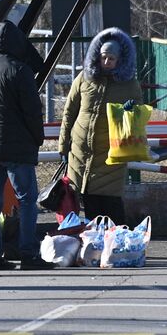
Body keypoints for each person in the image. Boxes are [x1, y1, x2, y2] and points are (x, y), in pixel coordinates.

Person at [0, 21, 56, 271]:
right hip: (17, 147)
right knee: (27, 200)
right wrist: (37, 138)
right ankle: (28, 253)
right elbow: (32, 111)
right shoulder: (20, 70)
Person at [58, 27, 144, 224]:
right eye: (103, 57)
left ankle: (115, 241)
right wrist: (63, 145)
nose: (106, 62)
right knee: (89, 208)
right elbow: (69, 112)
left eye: (111, 59)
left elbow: (138, 117)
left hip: (110, 156)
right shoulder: (84, 78)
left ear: (120, 60)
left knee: (112, 209)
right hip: (81, 155)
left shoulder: (130, 85)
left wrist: (131, 111)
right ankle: (96, 241)